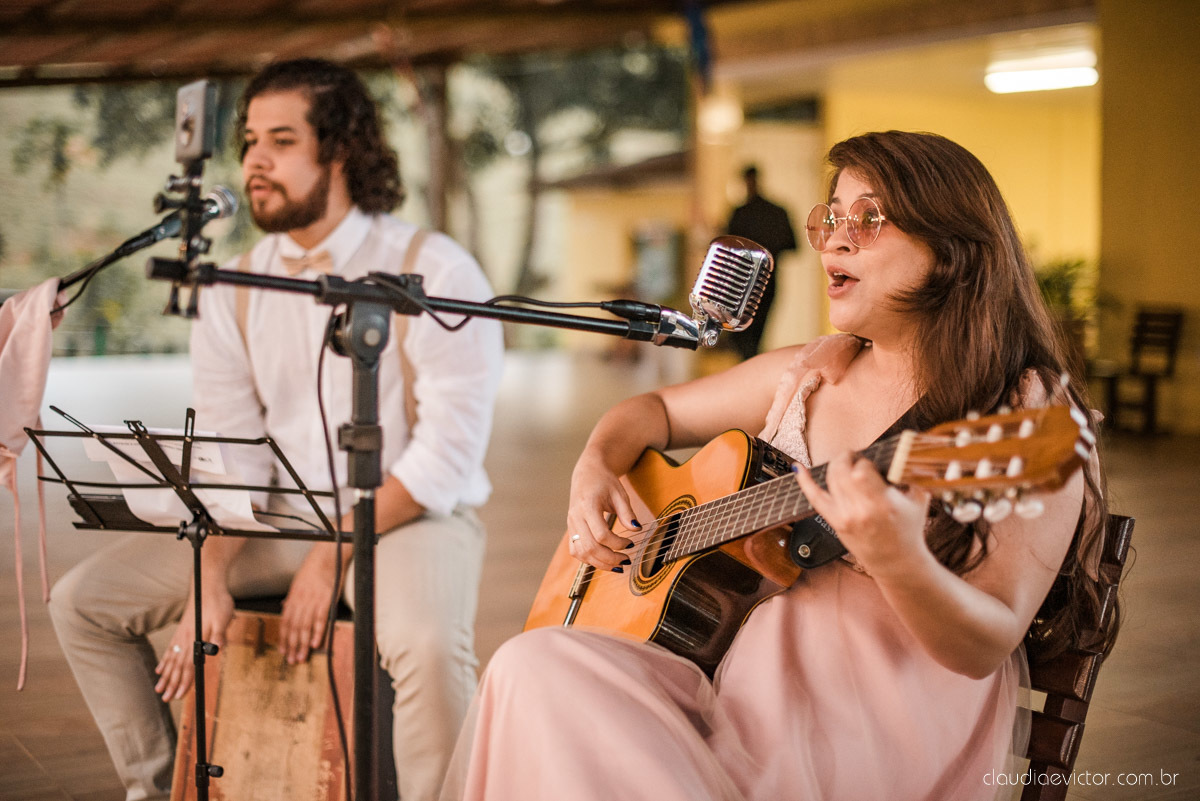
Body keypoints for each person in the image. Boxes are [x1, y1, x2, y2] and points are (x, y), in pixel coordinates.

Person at [439, 131, 1113, 801]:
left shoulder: (1024, 412)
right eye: (832, 216)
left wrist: (900, 556)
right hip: (739, 692)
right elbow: (650, 411)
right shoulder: (809, 373)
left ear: (951, 253)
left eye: (870, 218)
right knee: (531, 664)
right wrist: (593, 468)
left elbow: (987, 642)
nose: (834, 240)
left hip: (884, 718)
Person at [49, 58, 504, 801]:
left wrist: (331, 557)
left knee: (424, 641)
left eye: (282, 140)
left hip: (407, 516)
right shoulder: (230, 288)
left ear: (341, 150)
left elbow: (445, 460)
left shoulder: (436, 269)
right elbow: (234, 462)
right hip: (275, 518)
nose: (255, 160)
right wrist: (213, 574)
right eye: (250, 140)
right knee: (82, 602)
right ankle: (159, 786)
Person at [725, 165, 797, 359]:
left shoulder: (743, 214)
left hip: (748, 283)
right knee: (749, 338)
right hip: (756, 283)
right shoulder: (773, 212)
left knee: (749, 338)